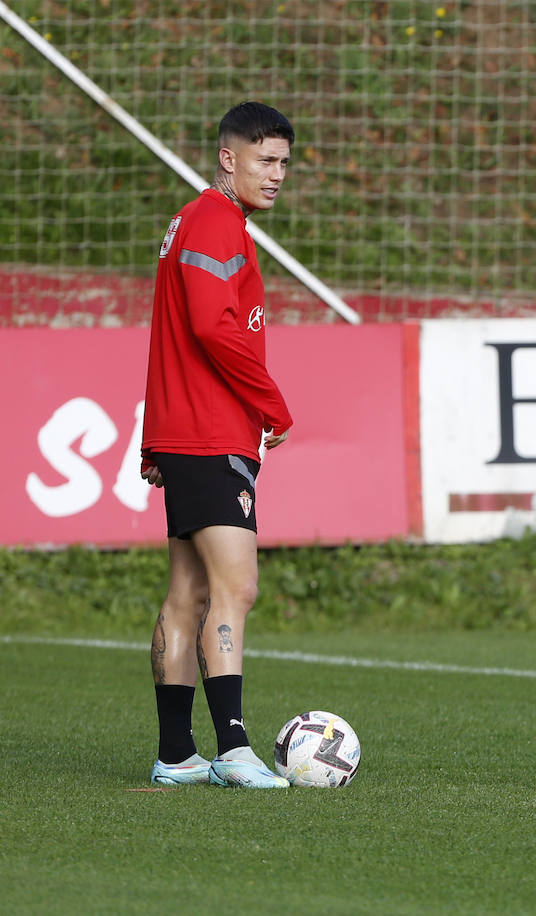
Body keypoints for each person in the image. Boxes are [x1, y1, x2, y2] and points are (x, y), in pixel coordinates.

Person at [140, 101, 296, 788]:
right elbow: (209, 326)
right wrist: (269, 401)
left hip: (187, 430)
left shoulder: (195, 220)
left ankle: (177, 756)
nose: (278, 174)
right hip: (210, 432)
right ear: (229, 158)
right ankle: (232, 748)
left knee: (188, 595)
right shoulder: (214, 220)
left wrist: (157, 437)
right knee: (237, 588)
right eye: (266, 160)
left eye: (285, 162)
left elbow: (173, 329)